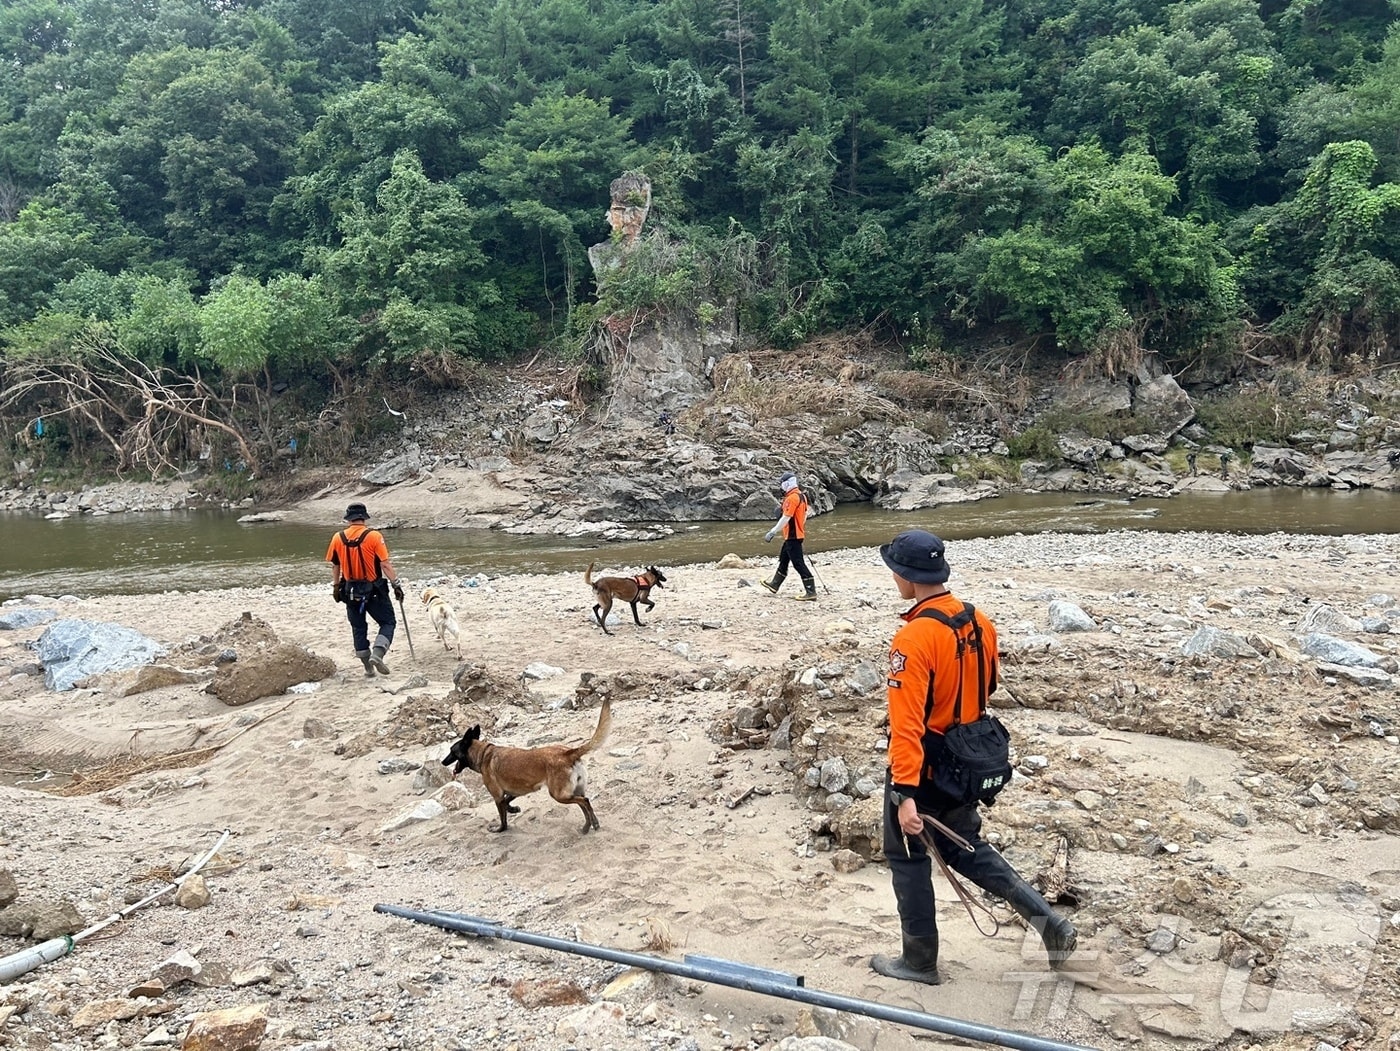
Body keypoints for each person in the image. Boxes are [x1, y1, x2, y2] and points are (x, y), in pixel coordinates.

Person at [871, 529, 1076, 985]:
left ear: (904, 576)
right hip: (969, 758)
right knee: (965, 846)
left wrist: (904, 793)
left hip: (925, 765)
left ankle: (919, 961)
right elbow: (989, 684)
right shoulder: (979, 621)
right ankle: (1050, 923)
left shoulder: (913, 639)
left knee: (906, 856)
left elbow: (906, 726)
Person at [326, 503, 404, 677]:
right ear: (364, 518)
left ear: (349, 519)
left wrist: (336, 586)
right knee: (388, 622)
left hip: (350, 590)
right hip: (375, 590)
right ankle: (378, 653)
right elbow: (384, 564)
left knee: (358, 627)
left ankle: (367, 667)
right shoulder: (374, 536)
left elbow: (335, 565)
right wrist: (396, 584)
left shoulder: (337, 538)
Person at [761, 471, 816, 601]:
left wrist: (773, 531)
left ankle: (811, 591)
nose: (781, 486)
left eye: (782, 484)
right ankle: (774, 584)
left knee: (798, 563)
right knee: (784, 559)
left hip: (793, 536)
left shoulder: (791, 498)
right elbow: (804, 516)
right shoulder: (802, 496)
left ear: (787, 484)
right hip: (795, 535)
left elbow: (786, 517)